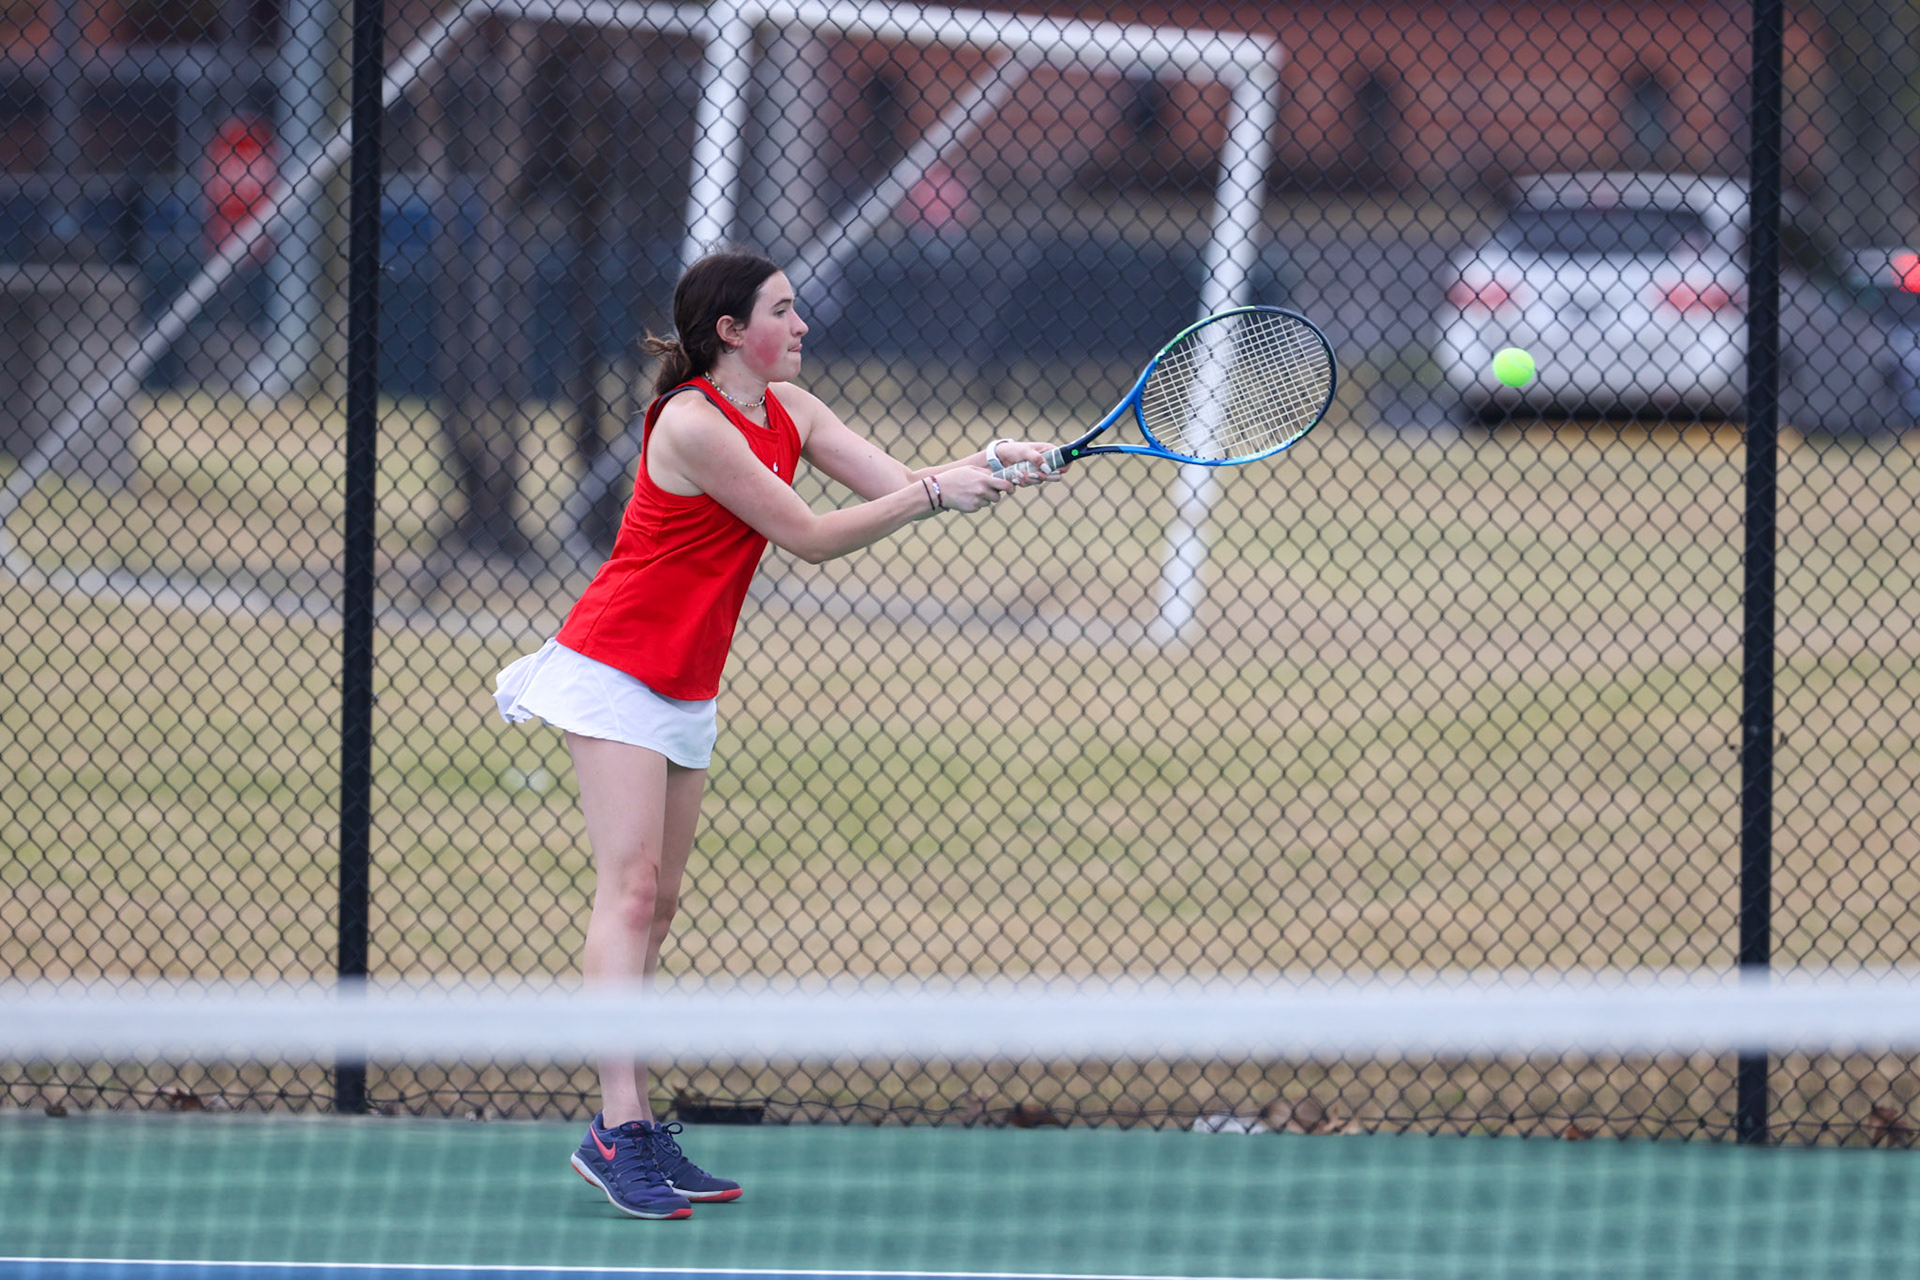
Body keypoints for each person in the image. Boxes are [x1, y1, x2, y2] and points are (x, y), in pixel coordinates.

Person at [494, 248, 1061, 1220]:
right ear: (731, 331)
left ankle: (618, 1124)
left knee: (659, 904)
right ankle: (620, 1125)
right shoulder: (692, 424)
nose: (801, 327)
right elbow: (810, 534)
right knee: (627, 892)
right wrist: (934, 493)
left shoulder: (793, 412)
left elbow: (897, 478)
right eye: (784, 311)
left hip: (686, 683)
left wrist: (987, 463)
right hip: (612, 668)